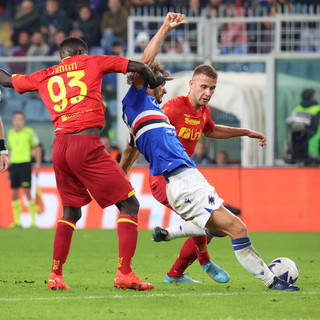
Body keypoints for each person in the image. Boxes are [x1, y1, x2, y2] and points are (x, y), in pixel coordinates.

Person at [119, 13, 299, 291]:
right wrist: (165, 27)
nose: (165, 87)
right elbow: (143, 68)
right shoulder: (142, 102)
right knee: (236, 228)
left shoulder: (155, 112)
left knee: (216, 228)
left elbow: (137, 143)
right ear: (148, 80)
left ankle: (170, 236)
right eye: (162, 81)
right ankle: (265, 280)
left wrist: (245, 132)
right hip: (175, 178)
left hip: (189, 176)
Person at [0, 36, 163, 291]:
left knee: (71, 212)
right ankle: (124, 273)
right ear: (79, 52)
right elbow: (139, 67)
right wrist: (156, 81)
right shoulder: (91, 61)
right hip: (85, 143)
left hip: (60, 147)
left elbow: (8, 80)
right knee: (130, 203)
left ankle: (56, 274)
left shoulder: (47, 74)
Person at [7, 112, 42, 228]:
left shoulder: (29, 133)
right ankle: (17, 222)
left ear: (24, 121)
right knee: (14, 193)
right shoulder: (10, 133)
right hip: (14, 166)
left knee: (27, 193)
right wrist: (8, 167)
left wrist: (37, 165)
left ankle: (33, 222)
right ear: (13, 120)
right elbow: (11, 151)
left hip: (25, 165)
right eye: (16, 119)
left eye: (20, 119)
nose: (18, 121)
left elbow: (37, 148)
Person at [287, 88, 320, 164]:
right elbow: (316, 128)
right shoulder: (318, 110)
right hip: (315, 146)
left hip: (297, 147)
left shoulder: (296, 110)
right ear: (312, 97)